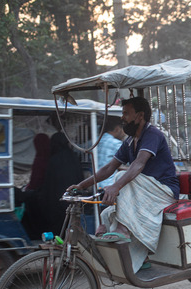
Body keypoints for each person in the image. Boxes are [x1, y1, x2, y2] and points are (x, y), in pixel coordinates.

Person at [68, 96, 179, 273]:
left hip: (163, 191)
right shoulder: (129, 141)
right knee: (107, 213)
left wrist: (116, 186)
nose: (123, 117)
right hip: (144, 190)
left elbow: (138, 164)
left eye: (126, 113)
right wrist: (81, 185)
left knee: (123, 177)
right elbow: (109, 167)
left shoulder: (153, 135)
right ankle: (138, 258)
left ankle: (123, 230)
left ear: (140, 116)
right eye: (123, 113)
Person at [97, 118, 125, 188]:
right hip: (109, 184)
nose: (124, 134)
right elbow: (128, 162)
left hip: (95, 183)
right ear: (117, 129)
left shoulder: (95, 141)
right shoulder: (116, 143)